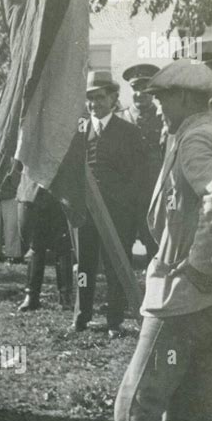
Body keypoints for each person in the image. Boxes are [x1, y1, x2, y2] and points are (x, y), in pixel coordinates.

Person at [76, 59, 212, 421]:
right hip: (211, 301)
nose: (156, 107)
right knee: (191, 407)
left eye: (162, 99)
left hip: (182, 301)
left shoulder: (195, 139)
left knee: (135, 403)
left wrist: (200, 265)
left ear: (185, 99)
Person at [73, 71, 145, 337]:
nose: (94, 104)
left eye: (100, 97)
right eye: (90, 99)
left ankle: (114, 320)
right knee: (84, 266)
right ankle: (81, 317)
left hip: (118, 214)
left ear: (114, 98)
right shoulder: (78, 130)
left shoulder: (128, 131)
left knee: (117, 265)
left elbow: (137, 175)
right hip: (86, 214)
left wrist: (123, 206)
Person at [119, 63, 164, 260]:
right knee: (122, 248)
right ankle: (120, 291)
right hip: (126, 197)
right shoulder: (120, 119)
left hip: (155, 195)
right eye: (136, 88)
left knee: (156, 247)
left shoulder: (164, 118)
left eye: (145, 88)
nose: (140, 93)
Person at [17, 173, 74, 310]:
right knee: (36, 246)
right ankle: (31, 295)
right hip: (34, 191)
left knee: (63, 247)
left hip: (61, 192)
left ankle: (66, 297)